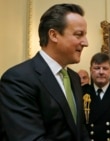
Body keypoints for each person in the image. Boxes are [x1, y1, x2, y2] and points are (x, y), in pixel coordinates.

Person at [0, 3, 90, 141]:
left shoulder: (73, 78)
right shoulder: (18, 79)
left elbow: (80, 131)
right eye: (79, 35)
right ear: (54, 35)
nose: (86, 42)